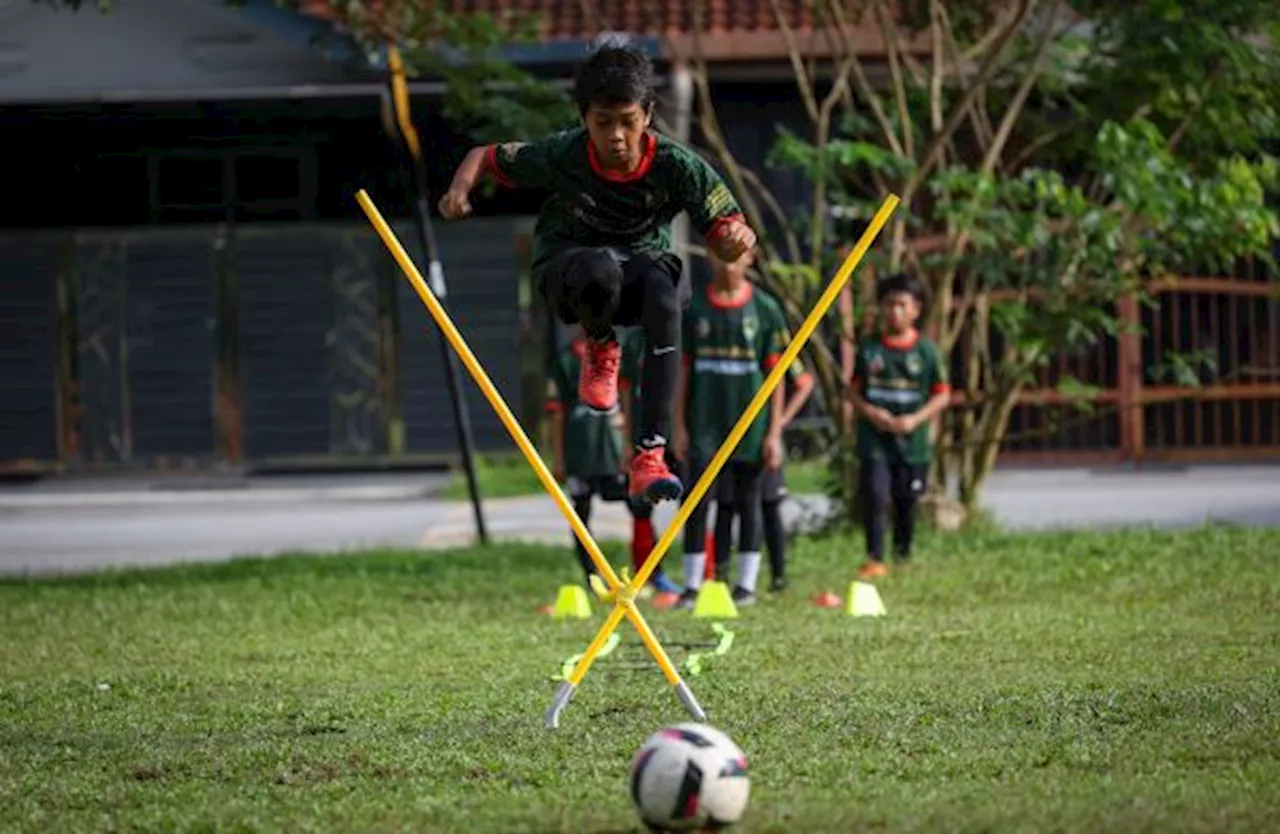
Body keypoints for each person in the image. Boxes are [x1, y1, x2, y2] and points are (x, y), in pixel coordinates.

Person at [438, 41, 757, 507]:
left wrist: (733, 239)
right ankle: (599, 343)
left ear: (647, 115)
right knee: (598, 267)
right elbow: (484, 156)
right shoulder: (564, 153)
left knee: (666, 294)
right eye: (603, 124)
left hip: (638, 273)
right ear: (584, 118)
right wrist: (458, 191)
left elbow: (728, 225)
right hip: (570, 273)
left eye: (628, 122)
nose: (617, 138)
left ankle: (650, 455)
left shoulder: (678, 165)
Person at [672, 249, 799, 609]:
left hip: (750, 425)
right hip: (704, 424)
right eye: (720, 253)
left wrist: (774, 432)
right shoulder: (695, 309)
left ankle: (746, 585)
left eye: (736, 255)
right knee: (696, 503)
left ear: (751, 259)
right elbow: (682, 371)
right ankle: (693, 584)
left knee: (749, 501)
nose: (727, 261)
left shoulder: (765, 310)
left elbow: (777, 379)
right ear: (710, 258)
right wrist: (678, 424)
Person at [848, 273, 951, 580]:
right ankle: (875, 558)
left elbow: (942, 394)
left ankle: (903, 555)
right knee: (876, 495)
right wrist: (872, 413)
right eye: (889, 304)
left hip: (913, 442)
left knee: (907, 500)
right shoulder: (869, 350)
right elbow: (852, 390)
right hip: (874, 439)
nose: (895, 311)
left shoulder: (926, 352)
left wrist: (915, 420)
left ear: (916, 310)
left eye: (902, 305)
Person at [714, 324, 814, 594]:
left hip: (764, 439)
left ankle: (778, 576)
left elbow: (804, 383)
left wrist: (778, 423)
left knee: (768, 505)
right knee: (725, 504)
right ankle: (720, 577)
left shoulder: (776, 341)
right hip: (733, 437)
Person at [545, 334, 629, 586]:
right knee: (581, 513)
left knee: (639, 505)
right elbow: (556, 414)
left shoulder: (621, 352)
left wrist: (629, 442)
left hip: (613, 451)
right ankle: (592, 576)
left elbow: (628, 397)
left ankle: (650, 573)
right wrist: (558, 459)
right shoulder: (565, 359)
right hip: (579, 453)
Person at [618, 326, 684, 603]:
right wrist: (625, 441)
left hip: (676, 438)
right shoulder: (634, 341)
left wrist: (682, 431)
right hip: (643, 439)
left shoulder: (681, 332)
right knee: (640, 506)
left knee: (695, 503)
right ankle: (647, 574)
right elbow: (624, 391)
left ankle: (706, 575)